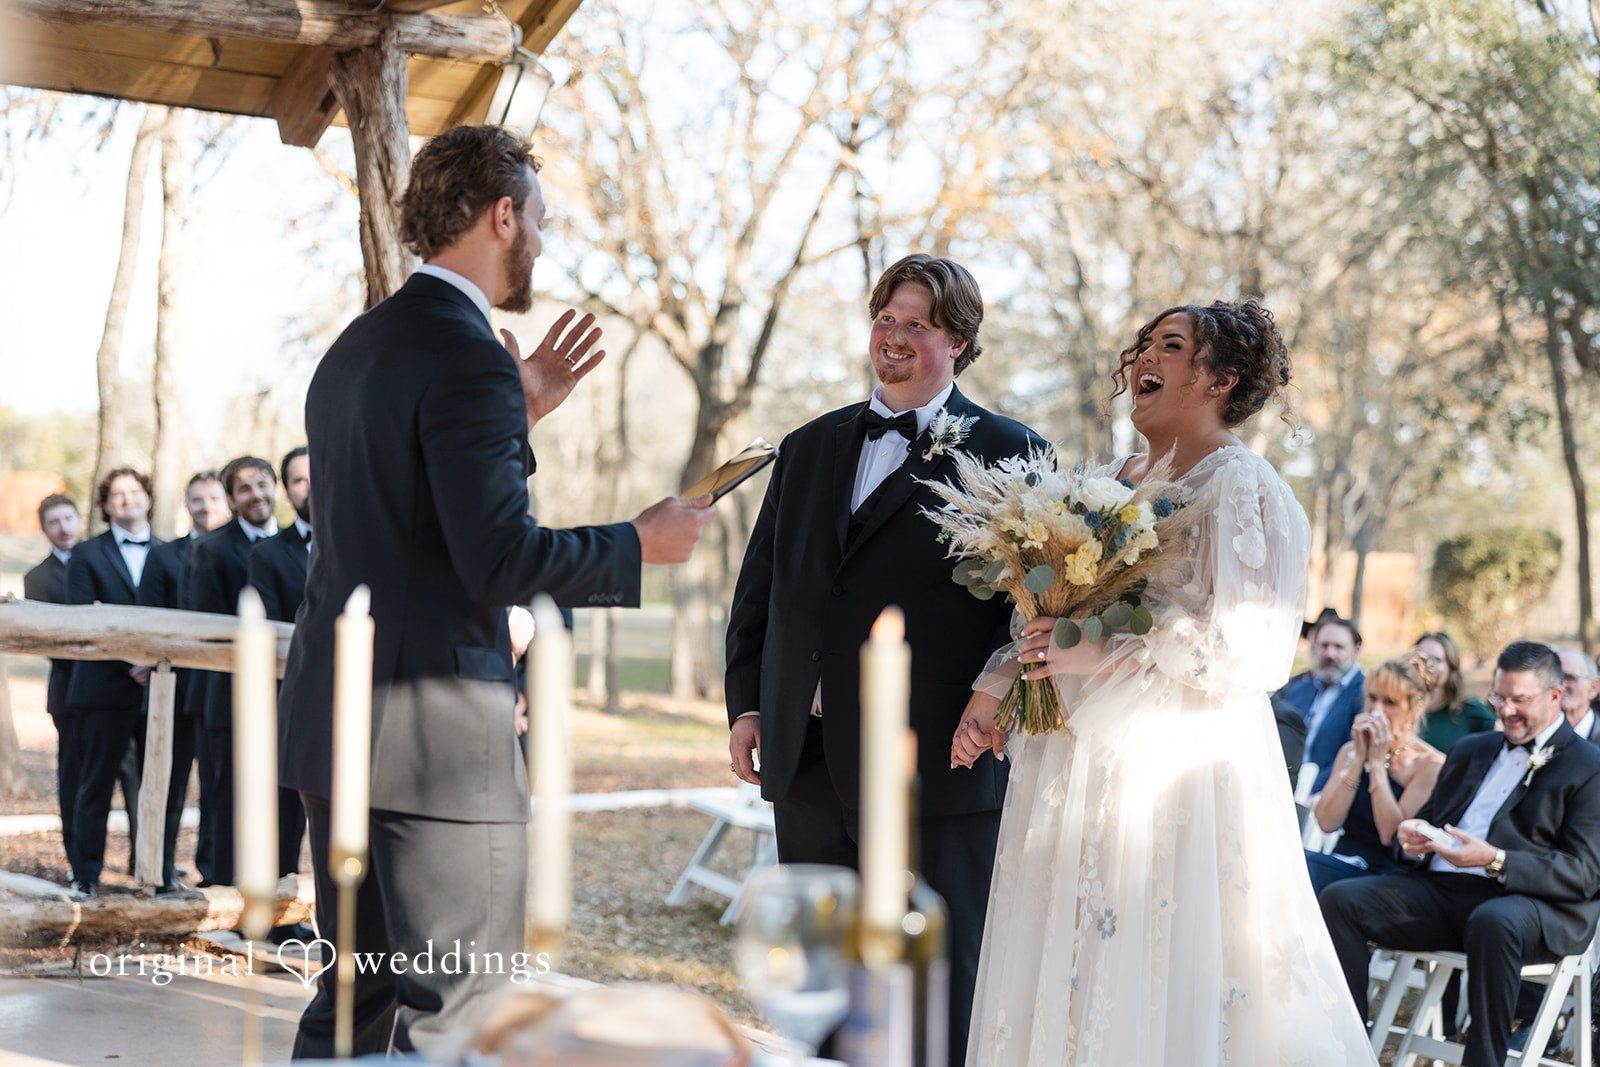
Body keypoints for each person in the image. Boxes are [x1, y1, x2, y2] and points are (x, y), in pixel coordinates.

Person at [278, 124, 712, 1058]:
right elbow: (499, 556)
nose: (544, 242)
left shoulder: (355, 347)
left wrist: (518, 411)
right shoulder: (466, 353)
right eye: (540, 220)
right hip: (433, 743)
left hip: (335, 723)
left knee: (353, 1004)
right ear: (502, 213)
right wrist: (639, 543)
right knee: (461, 1015)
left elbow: (411, 527)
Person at [952, 300, 1374, 1064]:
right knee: (1063, 955)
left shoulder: (1243, 485)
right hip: (1067, 759)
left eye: (1172, 346)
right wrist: (999, 687)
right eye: (1146, 343)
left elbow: (1249, 650)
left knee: (1153, 954)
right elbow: (1041, 609)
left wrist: (1096, 650)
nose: (1145, 357)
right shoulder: (1104, 481)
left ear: (1222, 379)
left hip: (1168, 775)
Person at [725, 253, 1042, 1067]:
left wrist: (996, 700)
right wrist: (748, 704)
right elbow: (763, 588)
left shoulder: (1014, 453)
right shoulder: (806, 446)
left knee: (932, 984)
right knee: (825, 981)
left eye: (917, 324)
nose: (893, 338)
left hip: (935, 766)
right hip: (809, 762)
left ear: (960, 341)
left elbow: (1034, 612)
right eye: (885, 319)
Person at [1320, 641, 1600, 1067]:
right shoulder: (1473, 750)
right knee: (1342, 899)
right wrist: (1411, 838)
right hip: (1443, 894)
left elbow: (1583, 873)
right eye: (1499, 698)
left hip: (1529, 905)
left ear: (1555, 696)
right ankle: (1348, 1050)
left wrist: (1496, 860)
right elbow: (1425, 826)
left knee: (1494, 921)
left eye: (1519, 701)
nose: (1505, 711)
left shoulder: (1589, 767)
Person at [182, 455, 300, 898]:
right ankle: (221, 895)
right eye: (245, 489)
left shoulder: (297, 545)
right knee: (226, 798)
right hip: (227, 698)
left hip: (287, 697)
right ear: (231, 500)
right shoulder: (209, 549)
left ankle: (279, 894)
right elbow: (206, 626)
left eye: (264, 485)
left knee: (285, 801)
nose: (258, 495)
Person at [63, 468, 161, 895]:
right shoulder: (86, 554)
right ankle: (85, 873)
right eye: (117, 494)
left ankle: (153, 870)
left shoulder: (169, 551)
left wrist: (153, 662)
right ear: (105, 505)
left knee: (155, 786)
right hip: (102, 690)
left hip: (159, 689)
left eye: (134, 491)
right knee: (96, 785)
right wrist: (130, 661)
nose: (127, 499)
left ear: (148, 498)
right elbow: (85, 615)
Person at [136, 470, 230, 889]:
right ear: (186, 506)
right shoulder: (164, 555)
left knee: (216, 787)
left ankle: (211, 870)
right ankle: (158, 870)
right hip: (173, 688)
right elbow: (152, 616)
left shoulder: (240, 551)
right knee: (167, 784)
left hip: (219, 690)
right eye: (197, 499)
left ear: (225, 502)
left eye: (212, 498)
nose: (205, 506)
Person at [1305, 652, 1445, 897]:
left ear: (1414, 709)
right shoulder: (1350, 750)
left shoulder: (1429, 765)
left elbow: (1391, 836)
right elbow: (1327, 822)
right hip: (1341, 861)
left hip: (1385, 876)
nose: (1376, 710)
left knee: (1304, 869)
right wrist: (1359, 759)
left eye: (1390, 702)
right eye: (1372, 698)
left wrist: (1378, 766)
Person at [24, 493, 83, 878]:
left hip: (120, 689)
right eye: (54, 522)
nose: (63, 528)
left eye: (68, 519)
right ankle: (77, 857)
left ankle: (139, 860)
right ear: (45, 529)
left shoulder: (99, 559)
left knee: (131, 774)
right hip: (68, 691)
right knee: (73, 776)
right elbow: (44, 641)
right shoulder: (37, 577)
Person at [1277, 614, 1366, 792]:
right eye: (1324, 645)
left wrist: (1306, 792)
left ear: (1356, 650)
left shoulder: (1365, 695)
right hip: (1280, 785)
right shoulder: (1298, 687)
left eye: (1339, 647)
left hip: (1324, 794)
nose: (1330, 654)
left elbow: (1352, 756)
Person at [249, 447, 312, 626]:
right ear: (286, 491)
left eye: (318, 474)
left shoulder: (358, 545)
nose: (310, 485)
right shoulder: (266, 554)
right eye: (299, 480)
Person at [1414, 630, 1496, 752]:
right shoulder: (1398, 708)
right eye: (1422, 657)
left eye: (1437, 659)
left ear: (1451, 666)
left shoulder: (1470, 710)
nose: (1427, 665)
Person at [1556, 647, 1599, 744]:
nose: (1560, 686)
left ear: (1593, 686)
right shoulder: (1531, 737)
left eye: (1570, 678)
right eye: (1555, 677)